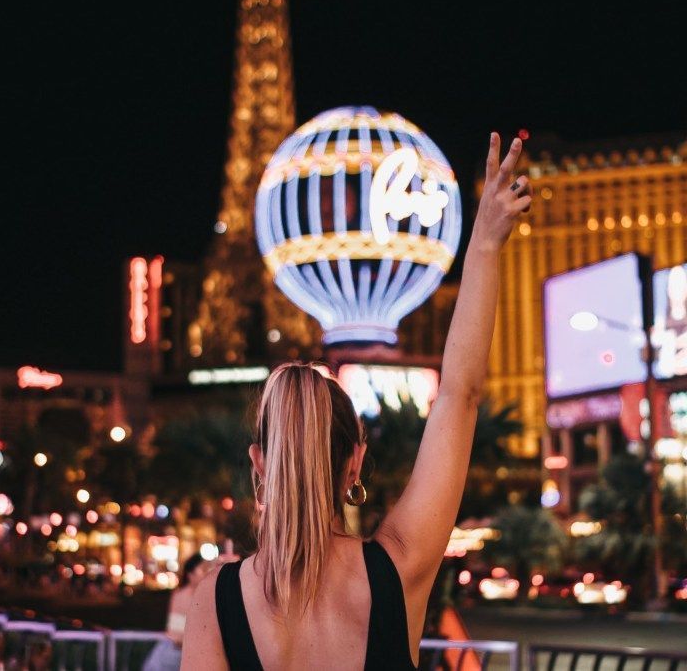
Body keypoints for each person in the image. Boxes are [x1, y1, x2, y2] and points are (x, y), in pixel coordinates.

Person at [182, 133, 532, 670]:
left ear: (259, 465)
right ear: (355, 463)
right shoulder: (398, 566)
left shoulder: (216, 598)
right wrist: (484, 242)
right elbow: (460, 396)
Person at [142, 552, 209, 671]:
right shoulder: (182, 596)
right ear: (190, 574)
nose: (207, 573)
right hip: (174, 654)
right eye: (203, 569)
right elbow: (177, 634)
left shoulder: (201, 596)